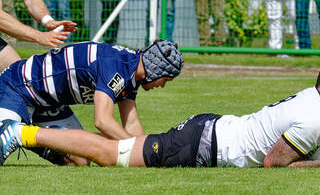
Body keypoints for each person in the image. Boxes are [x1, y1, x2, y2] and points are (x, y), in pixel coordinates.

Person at [3, 71, 320, 168]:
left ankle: (34, 138)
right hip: (204, 144)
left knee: (111, 155)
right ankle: (21, 134)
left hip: (212, 131)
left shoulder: (311, 95)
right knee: (113, 156)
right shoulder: (313, 119)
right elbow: (274, 164)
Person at [0, 39, 183, 165]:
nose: (163, 86)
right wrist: (134, 149)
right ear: (157, 69)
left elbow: (132, 125)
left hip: (49, 103)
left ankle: (23, 135)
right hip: (18, 87)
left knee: (79, 160)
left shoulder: (131, 72)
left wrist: (149, 155)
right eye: (166, 80)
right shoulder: (118, 68)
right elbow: (102, 121)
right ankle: (16, 130)